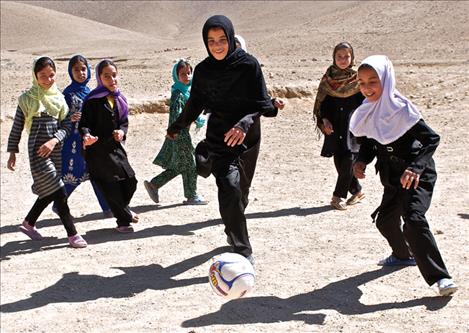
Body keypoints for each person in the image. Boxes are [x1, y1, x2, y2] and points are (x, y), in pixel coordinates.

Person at [166, 15, 283, 264]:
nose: (217, 45)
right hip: (220, 137)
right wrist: (178, 125)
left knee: (241, 193)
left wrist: (243, 124)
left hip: (248, 137)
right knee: (228, 187)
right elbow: (195, 102)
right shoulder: (203, 70)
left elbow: (262, 105)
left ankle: (232, 227)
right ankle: (243, 250)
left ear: (230, 38)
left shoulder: (249, 65)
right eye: (211, 41)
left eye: (221, 39)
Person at [350, 55, 457, 296]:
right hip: (393, 176)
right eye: (362, 82)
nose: (367, 88)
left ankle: (441, 278)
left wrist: (416, 167)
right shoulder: (367, 110)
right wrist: (362, 161)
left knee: (413, 218)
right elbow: (369, 140)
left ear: (386, 80)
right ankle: (402, 255)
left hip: (417, 174)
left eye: (373, 82)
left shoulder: (402, 109)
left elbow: (432, 139)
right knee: (385, 221)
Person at [6, 56, 87, 248]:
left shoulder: (59, 98)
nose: (48, 79)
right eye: (43, 75)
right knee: (59, 191)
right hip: (38, 153)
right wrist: (12, 152)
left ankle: (28, 223)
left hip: (55, 150)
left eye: (51, 75)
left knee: (49, 190)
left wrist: (53, 140)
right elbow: (17, 127)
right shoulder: (26, 99)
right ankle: (72, 234)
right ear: (35, 76)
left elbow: (66, 125)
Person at [79, 59, 138, 233]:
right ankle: (123, 221)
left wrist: (122, 132)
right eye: (106, 76)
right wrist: (86, 135)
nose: (112, 79)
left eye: (114, 75)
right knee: (111, 185)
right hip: (97, 150)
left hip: (115, 147)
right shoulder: (92, 100)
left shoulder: (120, 99)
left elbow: (123, 122)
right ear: (99, 78)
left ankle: (123, 210)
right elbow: (84, 123)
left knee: (130, 180)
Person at [53, 55, 112, 218]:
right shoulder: (68, 93)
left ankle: (107, 207)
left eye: (83, 69)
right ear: (71, 72)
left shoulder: (91, 92)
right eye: (76, 69)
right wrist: (69, 118)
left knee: (96, 172)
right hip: (74, 142)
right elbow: (59, 116)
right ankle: (58, 204)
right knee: (75, 174)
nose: (81, 73)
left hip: (90, 140)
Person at [144, 59, 207, 205]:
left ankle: (154, 184)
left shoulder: (187, 93)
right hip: (180, 134)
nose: (187, 76)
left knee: (179, 165)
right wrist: (177, 130)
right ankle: (192, 195)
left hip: (181, 133)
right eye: (182, 74)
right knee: (190, 164)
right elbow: (177, 115)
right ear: (176, 76)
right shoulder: (179, 95)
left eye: (189, 73)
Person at [313, 42, 365, 210]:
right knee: (340, 160)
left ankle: (338, 196)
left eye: (346, 56)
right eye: (339, 57)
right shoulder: (328, 78)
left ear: (352, 58)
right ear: (334, 58)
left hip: (353, 126)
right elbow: (322, 104)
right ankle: (356, 190)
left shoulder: (359, 78)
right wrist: (324, 120)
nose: (343, 60)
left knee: (349, 158)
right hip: (334, 126)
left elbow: (367, 102)